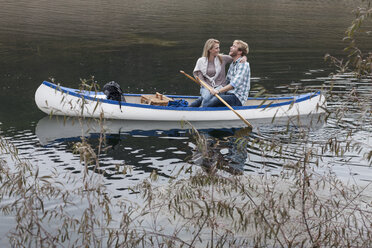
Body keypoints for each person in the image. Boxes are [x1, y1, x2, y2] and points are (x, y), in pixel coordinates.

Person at [190, 39, 246, 107]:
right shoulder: (200, 61)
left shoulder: (222, 58)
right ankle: (187, 109)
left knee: (206, 101)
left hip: (220, 88)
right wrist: (210, 89)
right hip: (206, 87)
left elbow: (236, 58)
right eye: (216, 48)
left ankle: (200, 111)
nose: (219, 50)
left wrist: (244, 57)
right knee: (205, 98)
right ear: (209, 50)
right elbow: (201, 80)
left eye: (218, 47)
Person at [203, 40, 250, 107]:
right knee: (206, 97)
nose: (231, 47)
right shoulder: (233, 64)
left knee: (216, 99)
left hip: (237, 98)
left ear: (240, 52)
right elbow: (226, 83)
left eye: (234, 46)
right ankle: (189, 108)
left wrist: (218, 91)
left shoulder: (243, 65)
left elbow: (233, 84)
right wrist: (215, 90)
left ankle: (201, 112)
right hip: (228, 93)